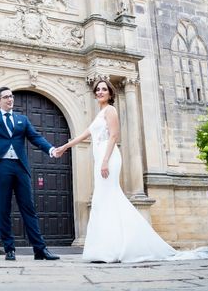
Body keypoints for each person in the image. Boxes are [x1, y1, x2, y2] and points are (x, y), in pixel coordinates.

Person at [54, 78, 176, 263]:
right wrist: (64, 147)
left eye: (104, 89)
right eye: (98, 89)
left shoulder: (110, 110)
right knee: (107, 199)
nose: (100, 92)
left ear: (110, 93)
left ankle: (112, 249)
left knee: (104, 198)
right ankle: (111, 247)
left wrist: (104, 161)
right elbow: (84, 134)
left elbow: (114, 136)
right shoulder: (100, 113)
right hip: (102, 158)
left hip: (108, 158)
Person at [0, 86, 60, 262]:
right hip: (1, 166)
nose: (10, 99)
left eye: (11, 96)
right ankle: (9, 249)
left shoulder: (22, 119)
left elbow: (35, 137)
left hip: (21, 167)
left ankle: (40, 249)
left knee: (29, 208)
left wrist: (50, 149)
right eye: (6, 97)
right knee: (3, 209)